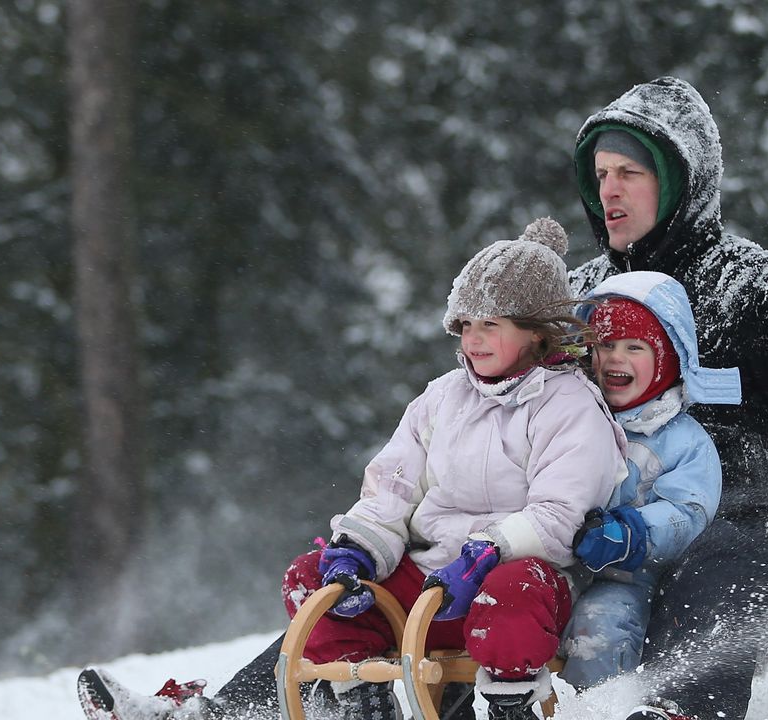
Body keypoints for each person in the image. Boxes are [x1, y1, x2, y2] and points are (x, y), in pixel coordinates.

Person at [76, 217, 629, 720]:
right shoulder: (442, 399)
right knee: (314, 582)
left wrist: (488, 550)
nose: (473, 339)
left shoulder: (568, 404)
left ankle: (511, 709)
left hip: (518, 581)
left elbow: (563, 511)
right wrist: (358, 549)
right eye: (464, 324)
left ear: (537, 330)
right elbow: (392, 487)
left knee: (510, 593)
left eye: (491, 324)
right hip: (428, 580)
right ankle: (357, 702)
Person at [568, 77, 768, 720]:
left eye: (630, 171)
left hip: (727, 546)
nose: (609, 191)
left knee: (719, 562)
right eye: (601, 173)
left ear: (682, 177)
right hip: (592, 536)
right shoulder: (575, 299)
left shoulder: (767, 293)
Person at [559, 270, 740, 692]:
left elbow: (689, 511)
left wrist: (633, 532)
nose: (616, 358)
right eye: (605, 345)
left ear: (667, 361)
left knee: (600, 625)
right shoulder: (569, 414)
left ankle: (594, 709)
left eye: (634, 347)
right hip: (558, 564)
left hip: (628, 576)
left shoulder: (682, 439)